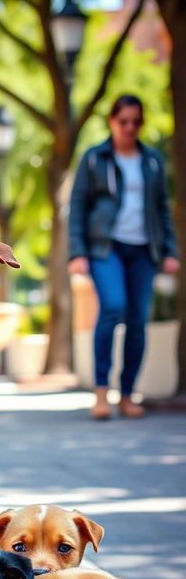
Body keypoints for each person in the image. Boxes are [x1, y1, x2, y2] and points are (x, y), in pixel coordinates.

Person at [68, 94, 180, 419]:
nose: (129, 128)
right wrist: (78, 253)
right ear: (111, 122)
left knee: (137, 321)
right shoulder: (94, 159)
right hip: (106, 246)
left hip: (144, 249)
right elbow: (78, 208)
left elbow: (162, 209)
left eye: (136, 122)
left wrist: (170, 251)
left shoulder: (152, 161)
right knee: (113, 306)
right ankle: (101, 392)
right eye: (123, 121)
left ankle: (128, 394)